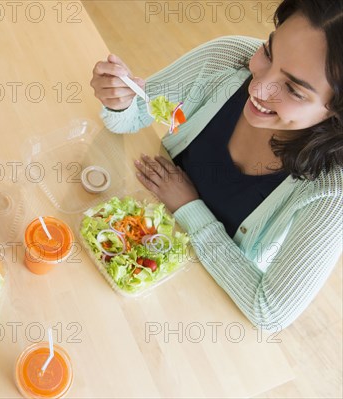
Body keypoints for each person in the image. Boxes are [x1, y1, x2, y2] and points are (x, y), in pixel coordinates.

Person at [90, 0, 342, 330]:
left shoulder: (331, 191)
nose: (258, 87)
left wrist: (188, 205)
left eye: (293, 89)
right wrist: (119, 100)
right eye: (269, 51)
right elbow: (135, 114)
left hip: (195, 299)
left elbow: (268, 310)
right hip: (125, 231)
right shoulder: (227, 58)